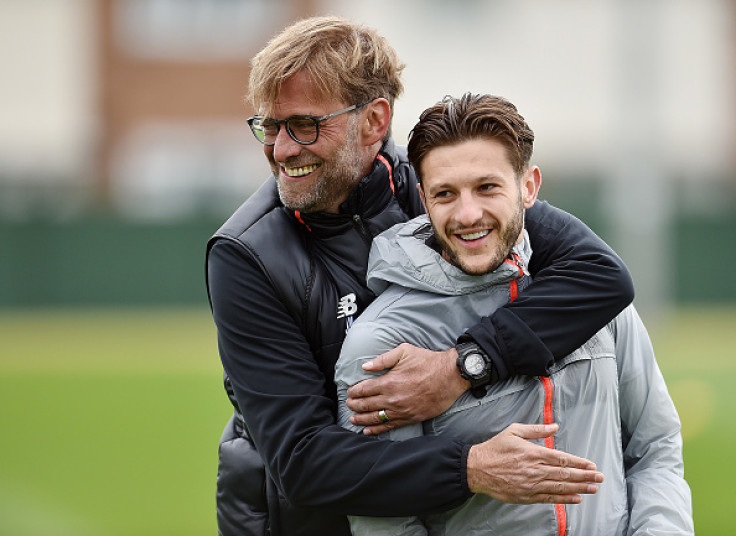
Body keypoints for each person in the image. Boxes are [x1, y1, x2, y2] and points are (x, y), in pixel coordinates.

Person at [206, 16, 635, 536]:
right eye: (270, 127)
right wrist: (471, 468)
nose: (281, 150)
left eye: (304, 125)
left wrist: (461, 367)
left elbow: (600, 275)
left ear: (374, 121)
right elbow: (304, 462)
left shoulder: (441, 188)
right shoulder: (245, 254)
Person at [336, 92, 693, 535]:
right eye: (446, 193)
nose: (468, 214)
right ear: (424, 200)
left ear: (529, 187)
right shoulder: (382, 343)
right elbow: (385, 521)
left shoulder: (592, 300)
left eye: (487, 187)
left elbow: (654, 448)